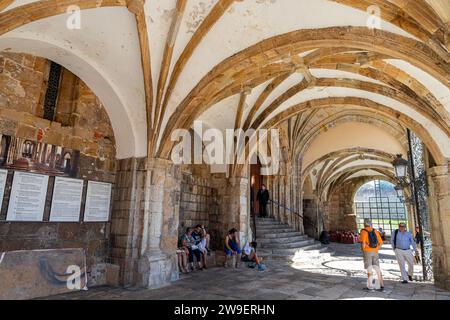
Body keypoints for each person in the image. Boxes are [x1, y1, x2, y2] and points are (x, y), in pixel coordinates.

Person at [359, 219, 385, 291]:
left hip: (367, 252)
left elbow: (363, 243)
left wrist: (363, 250)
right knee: (377, 268)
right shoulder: (375, 231)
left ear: (364, 224)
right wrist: (376, 249)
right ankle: (382, 285)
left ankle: (370, 286)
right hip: (375, 252)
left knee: (369, 269)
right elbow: (381, 242)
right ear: (370, 224)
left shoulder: (363, 231)